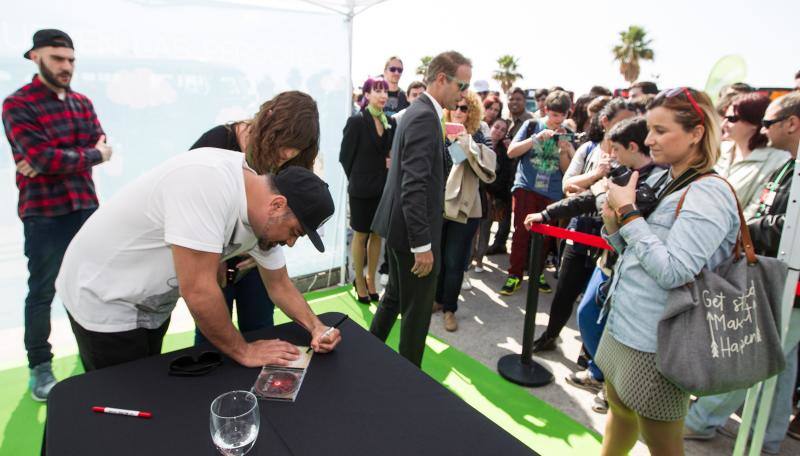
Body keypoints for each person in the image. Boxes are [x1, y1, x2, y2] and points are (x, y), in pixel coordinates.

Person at [56, 149, 340, 371]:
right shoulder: (207, 184)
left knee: (146, 382)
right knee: (123, 402)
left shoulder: (265, 214)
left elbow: (279, 284)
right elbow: (199, 291)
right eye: (294, 233)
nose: (290, 242)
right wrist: (244, 350)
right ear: (278, 205)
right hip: (103, 294)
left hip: (150, 302)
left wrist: (316, 326)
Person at [596, 87, 739, 456]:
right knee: (620, 411)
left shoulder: (710, 193)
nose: (648, 139)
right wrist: (615, 223)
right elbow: (633, 254)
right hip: (626, 324)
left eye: (661, 131)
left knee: (661, 443)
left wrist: (627, 215)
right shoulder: (667, 178)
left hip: (658, 342)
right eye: (650, 130)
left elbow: (674, 271)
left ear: (696, 133)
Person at [684, 92, 800, 455]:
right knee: (780, 364)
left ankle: (701, 420)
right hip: (777, 276)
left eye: (769, 123)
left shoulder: (781, 161)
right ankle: (766, 436)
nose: (765, 130)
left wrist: (750, 224)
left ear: (792, 124)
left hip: (788, 284)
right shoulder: (789, 164)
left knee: (747, 354)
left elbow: (786, 224)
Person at [2, 29, 113, 401]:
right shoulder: (17, 104)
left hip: (86, 207)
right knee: (42, 292)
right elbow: (45, 158)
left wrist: (59, 158)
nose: (66, 66)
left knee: (92, 287)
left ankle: (93, 358)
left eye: (70, 60)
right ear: (35, 57)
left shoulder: (82, 102)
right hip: (44, 214)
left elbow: (93, 145)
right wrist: (87, 156)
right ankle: (40, 367)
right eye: (57, 58)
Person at [189, 91, 320, 346]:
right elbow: (190, 205)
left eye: (298, 148)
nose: (288, 153)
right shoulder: (217, 141)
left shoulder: (294, 161)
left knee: (261, 331)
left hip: (257, 265)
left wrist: (262, 244)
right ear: (269, 122)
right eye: (285, 142)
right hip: (210, 261)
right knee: (210, 339)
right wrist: (211, 256)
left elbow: (292, 220)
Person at [370, 50, 472, 367]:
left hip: (401, 228)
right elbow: (413, 185)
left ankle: (368, 355)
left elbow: (422, 171)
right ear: (442, 79)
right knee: (416, 313)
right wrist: (422, 245)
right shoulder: (425, 115)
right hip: (413, 233)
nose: (464, 93)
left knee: (395, 298)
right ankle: (410, 383)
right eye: (461, 85)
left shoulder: (422, 112)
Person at [524, 99, 636, 352]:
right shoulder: (588, 149)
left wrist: (585, 188)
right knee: (565, 290)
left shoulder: (632, 155)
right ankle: (550, 335)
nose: (630, 125)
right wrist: (596, 175)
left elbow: (586, 192)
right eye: (623, 119)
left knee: (598, 298)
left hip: (613, 238)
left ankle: (590, 354)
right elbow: (568, 186)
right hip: (580, 230)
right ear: (606, 121)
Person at [500, 90, 574, 296]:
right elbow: (511, 151)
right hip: (526, 187)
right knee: (521, 233)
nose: (556, 119)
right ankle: (514, 274)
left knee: (546, 237)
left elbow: (567, 170)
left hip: (552, 191)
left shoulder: (566, 132)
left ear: (567, 114)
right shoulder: (532, 125)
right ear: (545, 110)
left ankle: (537, 272)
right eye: (553, 114)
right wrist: (536, 139)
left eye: (561, 115)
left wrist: (563, 150)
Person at [433, 91, 495, 332]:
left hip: (467, 207)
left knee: (455, 261)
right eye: (455, 106)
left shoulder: (479, 132)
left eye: (464, 108)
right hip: (439, 204)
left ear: (472, 111)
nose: (459, 111)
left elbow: (489, 167)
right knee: (438, 258)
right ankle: (438, 301)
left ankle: (450, 309)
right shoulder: (438, 129)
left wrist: (466, 144)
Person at [340, 77, 396, 303]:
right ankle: (359, 280)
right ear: (367, 94)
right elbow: (345, 157)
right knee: (361, 234)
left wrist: (389, 162)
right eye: (377, 91)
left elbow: (389, 153)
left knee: (377, 235)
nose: (383, 95)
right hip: (361, 190)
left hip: (382, 189)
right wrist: (359, 178)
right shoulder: (356, 121)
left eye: (385, 92)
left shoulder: (389, 121)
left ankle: (371, 278)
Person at [716, 93, 790, 219]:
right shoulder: (718, 150)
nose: (724, 124)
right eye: (725, 117)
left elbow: (755, 211)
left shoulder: (777, 160)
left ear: (754, 122)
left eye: (732, 119)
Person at [485, 87, 531, 255]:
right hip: (505, 173)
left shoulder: (530, 121)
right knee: (500, 210)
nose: (514, 102)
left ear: (524, 101)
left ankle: (513, 249)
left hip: (521, 173)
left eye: (518, 99)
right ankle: (498, 242)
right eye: (511, 99)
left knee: (513, 214)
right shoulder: (506, 121)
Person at [474, 118, 512, 272]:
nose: (498, 131)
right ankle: (469, 259)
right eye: (496, 127)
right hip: (476, 191)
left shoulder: (505, 152)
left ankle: (479, 260)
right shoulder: (479, 142)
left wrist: (491, 189)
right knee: (471, 230)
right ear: (490, 126)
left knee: (485, 229)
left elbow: (505, 177)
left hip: (492, 197)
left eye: (503, 130)